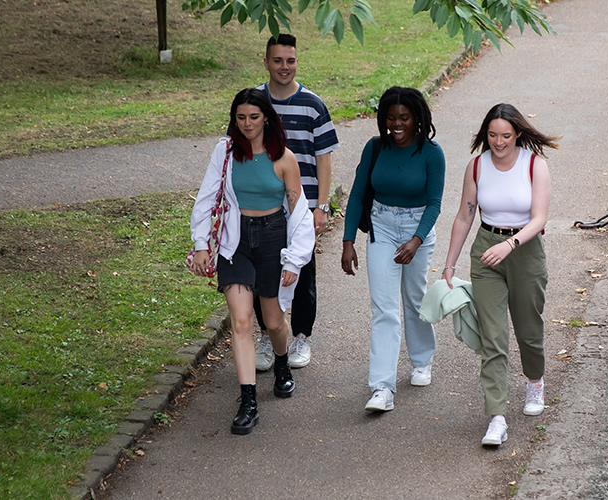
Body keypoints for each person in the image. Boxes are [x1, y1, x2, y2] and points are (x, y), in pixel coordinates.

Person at [188, 88, 316, 435]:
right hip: (236, 240)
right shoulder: (226, 152)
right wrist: (202, 244)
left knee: (273, 322)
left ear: (266, 119)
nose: (247, 124)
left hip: (273, 238)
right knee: (242, 321)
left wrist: (294, 260)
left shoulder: (284, 159)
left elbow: (300, 214)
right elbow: (207, 194)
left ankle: (281, 363)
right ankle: (248, 401)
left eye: (254, 117)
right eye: (240, 117)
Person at [440, 103, 557, 446]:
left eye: (506, 135)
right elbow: (464, 217)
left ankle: (534, 381)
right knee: (493, 338)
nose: (499, 142)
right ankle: (497, 417)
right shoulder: (476, 166)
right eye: (492, 135)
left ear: (518, 134)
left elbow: (539, 219)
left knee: (528, 330)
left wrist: (512, 245)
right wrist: (449, 264)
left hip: (525, 250)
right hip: (486, 250)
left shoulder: (535, 165)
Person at [340, 87, 445, 413]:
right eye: (391, 118)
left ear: (417, 119)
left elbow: (435, 204)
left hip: (418, 229)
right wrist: (348, 241)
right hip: (382, 228)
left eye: (404, 118)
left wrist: (416, 239)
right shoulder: (375, 148)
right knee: (383, 307)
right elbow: (357, 195)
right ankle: (382, 388)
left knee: (414, 298)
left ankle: (421, 360)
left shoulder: (431, 153)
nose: (397, 124)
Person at [251, 34, 339, 372]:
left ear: (297, 62)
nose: (284, 67)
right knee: (263, 271)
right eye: (277, 60)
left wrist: (321, 206)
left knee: (302, 272)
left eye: (290, 60)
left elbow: (323, 160)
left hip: (301, 207)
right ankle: (266, 334)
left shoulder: (313, 105)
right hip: (260, 206)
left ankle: (301, 335)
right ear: (266, 62)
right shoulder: (255, 102)